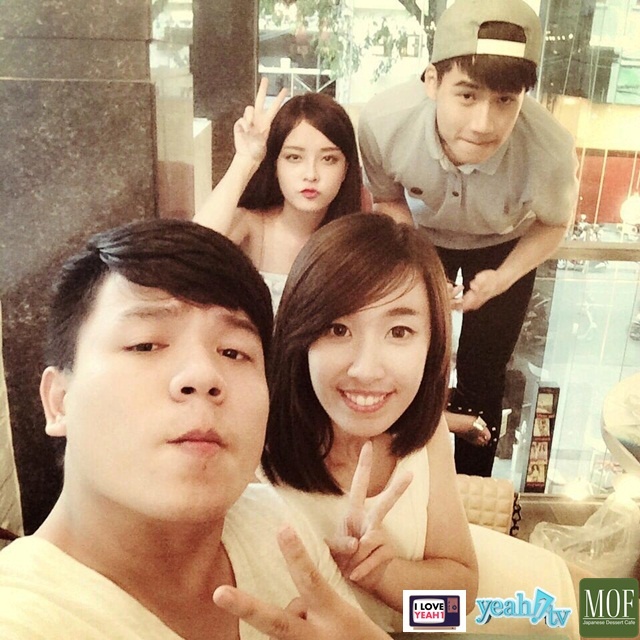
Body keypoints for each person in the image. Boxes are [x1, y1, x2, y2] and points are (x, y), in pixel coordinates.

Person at [0, 219, 392, 640]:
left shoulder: (277, 523)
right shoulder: (22, 618)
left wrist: (396, 587)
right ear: (59, 401)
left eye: (233, 352)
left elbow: (444, 608)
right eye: (145, 345)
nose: (204, 375)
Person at [260, 214, 583, 638]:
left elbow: (455, 608)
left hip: (484, 612)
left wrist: (384, 576)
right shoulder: (254, 453)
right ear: (298, 334)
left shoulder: (423, 435)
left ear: (432, 344)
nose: (367, 369)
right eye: (338, 328)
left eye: (399, 331)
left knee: (613, 612)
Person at [357, 0, 579, 476]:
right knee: (411, 357)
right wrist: (420, 262)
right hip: (420, 234)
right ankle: (402, 475)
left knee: (484, 373)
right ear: (432, 82)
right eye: (467, 95)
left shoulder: (550, 149)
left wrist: (502, 278)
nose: (483, 124)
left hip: (504, 244)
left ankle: (473, 488)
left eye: (505, 101)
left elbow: (554, 224)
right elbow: (389, 198)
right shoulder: (383, 123)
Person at [194, 79, 363, 312]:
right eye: (294, 157)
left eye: (328, 159)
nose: (311, 174)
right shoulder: (251, 226)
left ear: (346, 169)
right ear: (275, 165)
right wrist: (246, 159)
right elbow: (188, 251)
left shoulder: (358, 242)